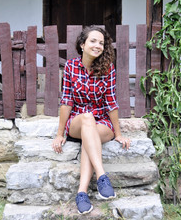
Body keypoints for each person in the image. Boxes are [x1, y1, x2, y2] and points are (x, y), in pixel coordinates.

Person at [52, 25, 131, 214]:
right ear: (82, 44)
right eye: (93, 41)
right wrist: (59, 134)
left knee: (91, 135)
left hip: (102, 121)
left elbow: (111, 102)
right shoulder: (71, 67)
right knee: (87, 119)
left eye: (101, 43)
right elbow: (66, 101)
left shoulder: (108, 69)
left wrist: (118, 134)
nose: (98, 46)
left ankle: (81, 193)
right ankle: (102, 175)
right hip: (77, 121)